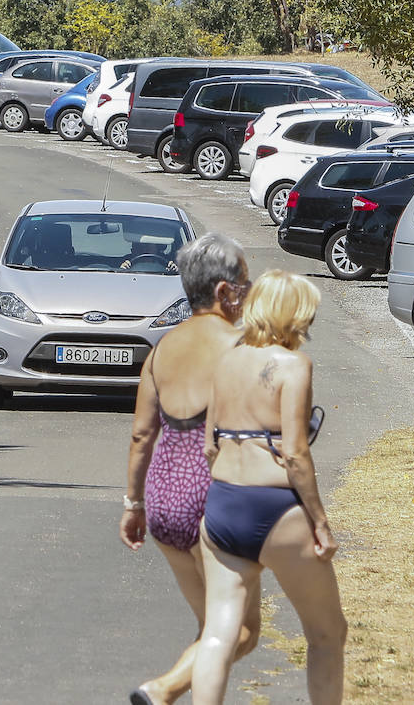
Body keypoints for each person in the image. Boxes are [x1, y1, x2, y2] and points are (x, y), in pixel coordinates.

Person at [190, 270, 346, 704]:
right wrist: (321, 523)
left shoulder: (225, 361)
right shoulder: (294, 365)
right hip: (277, 506)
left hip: (223, 506)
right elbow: (295, 454)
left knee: (219, 634)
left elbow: (208, 446)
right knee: (327, 634)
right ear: (292, 315)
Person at [120, 233, 261, 705]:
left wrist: (133, 503)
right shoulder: (242, 344)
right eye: (245, 280)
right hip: (216, 495)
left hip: (164, 497)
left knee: (211, 629)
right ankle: (160, 691)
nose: (250, 289)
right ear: (224, 291)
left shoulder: (162, 348)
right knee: (238, 631)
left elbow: (142, 435)